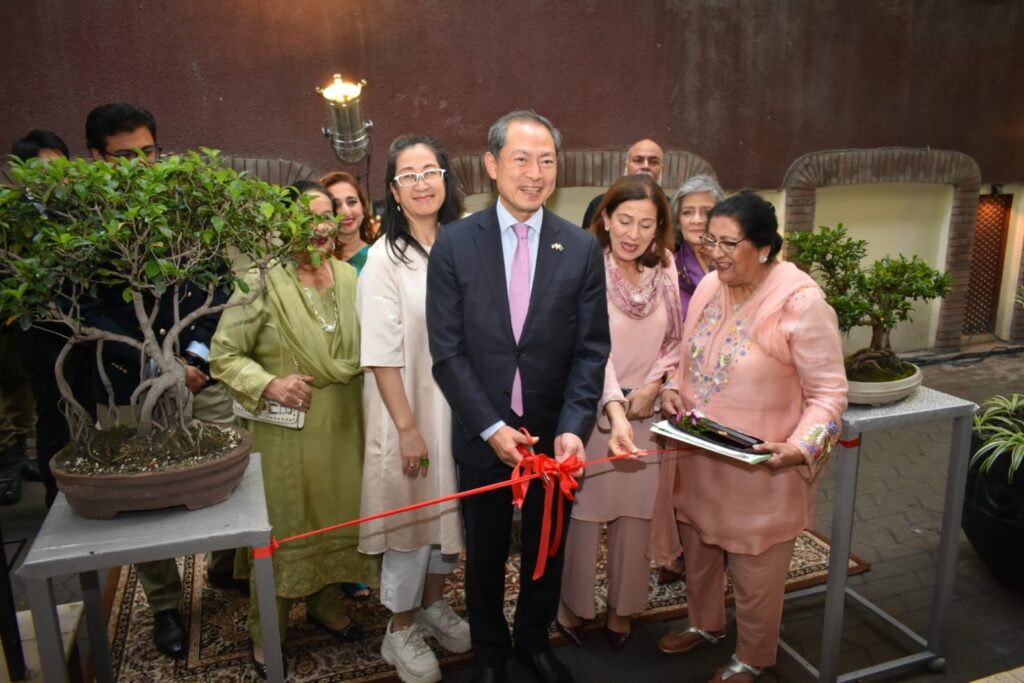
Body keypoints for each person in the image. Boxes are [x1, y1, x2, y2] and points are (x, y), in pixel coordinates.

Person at [426, 110, 610, 683]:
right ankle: (489, 652)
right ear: (492, 165)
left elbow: (590, 350)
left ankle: (533, 639)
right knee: (483, 552)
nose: (535, 173)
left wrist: (576, 425)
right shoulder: (455, 244)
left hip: (556, 432)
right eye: (522, 159)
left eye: (547, 160)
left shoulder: (579, 247)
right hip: (484, 433)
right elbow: (447, 353)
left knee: (545, 546)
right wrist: (488, 427)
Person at [652, 192, 847, 682]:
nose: (715, 252)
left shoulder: (801, 303)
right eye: (709, 240)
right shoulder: (708, 289)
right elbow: (686, 357)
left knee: (755, 569)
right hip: (700, 456)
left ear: (762, 247)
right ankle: (705, 624)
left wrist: (800, 448)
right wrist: (673, 388)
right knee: (699, 546)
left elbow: (829, 394)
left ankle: (755, 655)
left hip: (761, 466)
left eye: (728, 243)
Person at [80, 103, 239, 659]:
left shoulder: (191, 207)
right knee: (143, 494)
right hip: (130, 384)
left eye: (149, 152)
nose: (142, 165)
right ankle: (166, 603)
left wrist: (193, 358)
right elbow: (86, 309)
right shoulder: (79, 223)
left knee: (231, 471)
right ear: (96, 158)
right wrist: (156, 369)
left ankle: (226, 565)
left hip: (203, 374)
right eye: (125, 157)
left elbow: (220, 288)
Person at [210, 180, 378, 679]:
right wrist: (269, 383)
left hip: (346, 428)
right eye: (306, 218)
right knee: (287, 529)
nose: (320, 226)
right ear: (279, 227)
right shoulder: (259, 282)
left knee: (337, 521)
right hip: (287, 436)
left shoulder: (351, 278)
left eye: (326, 215)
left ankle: (326, 605)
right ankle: (270, 628)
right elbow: (224, 354)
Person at [357, 134, 470, 683]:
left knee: (450, 515)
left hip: (461, 406)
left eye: (431, 170)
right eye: (409, 175)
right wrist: (407, 428)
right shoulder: (384, 258)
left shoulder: (463, 242)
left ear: (446, 180)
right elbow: (380, 355)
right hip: (408, 405)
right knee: (410, 519)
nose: (423, 182)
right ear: (394, 192)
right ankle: (398, 631)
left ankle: (431, 605)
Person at [557, 174, 683, 653]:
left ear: (658, 229)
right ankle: (572, 606)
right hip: (594, 412)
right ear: (605, 218)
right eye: (624, 220)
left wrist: (654, 385)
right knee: (587, 516)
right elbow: (591, 348)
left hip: (647, 412)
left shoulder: (666, 268)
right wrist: (617, 406)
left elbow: (676, 340)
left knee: (636, 516)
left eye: (645, 224)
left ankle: (623, 608)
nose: (633, 233)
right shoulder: (586, 268)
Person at [6, 129, 93, 508]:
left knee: (87, 408)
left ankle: (89, 483)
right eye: (44, 168)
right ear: (23, 173)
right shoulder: (13, 218)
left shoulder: (77, 209)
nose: (55, 175)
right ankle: (57, 500)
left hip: (85, 327)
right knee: (54, 413)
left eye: (61, 165)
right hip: (41, 331)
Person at [580, 138, 664, 231]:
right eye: (638, 160)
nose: (645, 166)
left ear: (661, 168)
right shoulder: (599, 204)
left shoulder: (671, 208)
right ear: (626, 165)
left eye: (653, 162)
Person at [672, 174, 725, 320]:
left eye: (706, 212)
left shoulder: (737, 261)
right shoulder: (668, 267)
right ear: (678, 220)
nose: (696, 220)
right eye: (687, 212)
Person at [321, 170, 374, 274]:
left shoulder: (379, 257)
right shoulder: (315, 260)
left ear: (363, 206)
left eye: (352, 202)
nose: (346, 211)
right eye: (336, 205)